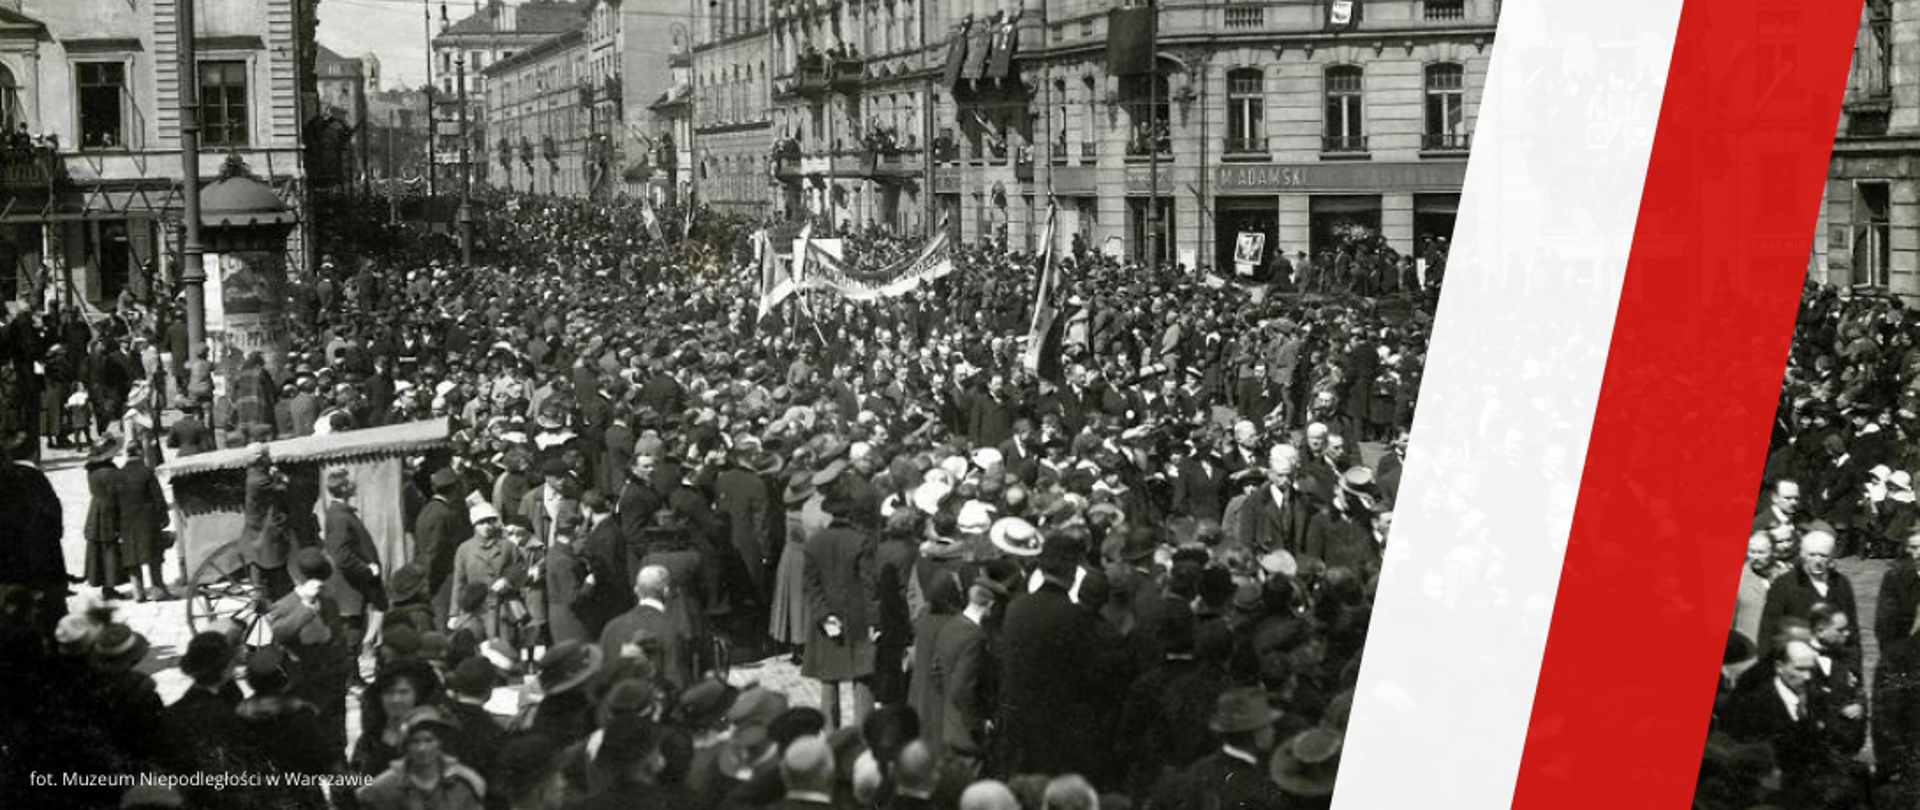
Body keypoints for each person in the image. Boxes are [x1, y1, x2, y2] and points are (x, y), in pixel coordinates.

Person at [803, 488, 880, 731]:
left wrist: (824, 616)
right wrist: (875, 621)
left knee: (829, 679)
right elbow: (870, 588)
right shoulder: (861, 542)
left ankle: (830, 735)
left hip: (827, 615)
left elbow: (810, 586)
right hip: (857, 615)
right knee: (863, 676)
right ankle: (863, 734)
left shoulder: (814, 542)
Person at [356, 706, 487, 810]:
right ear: (405, 746)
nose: (422, 748)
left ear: (440, 742)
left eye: (429, 740)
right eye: (415, 742)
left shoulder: (463, 782)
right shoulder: (384, 786)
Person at [241, 442, 295, 602]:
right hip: (263, 523)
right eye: (267, 455)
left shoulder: (254, 473)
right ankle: (272, 589)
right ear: (260, 459)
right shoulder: (259, 480)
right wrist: (282, 478)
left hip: (256, 520)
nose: (270, 458)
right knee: (271, 552)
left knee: (259, 553)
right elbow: (282, 490)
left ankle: (263, 584)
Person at [82, 435, 127, 600]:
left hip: (95, 510)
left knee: (98, 549)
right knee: (110, 549)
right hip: (109, 512)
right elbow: (118, 494)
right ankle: (110, 586)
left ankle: (102, 583)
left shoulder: (91, 470)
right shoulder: (111, 472)